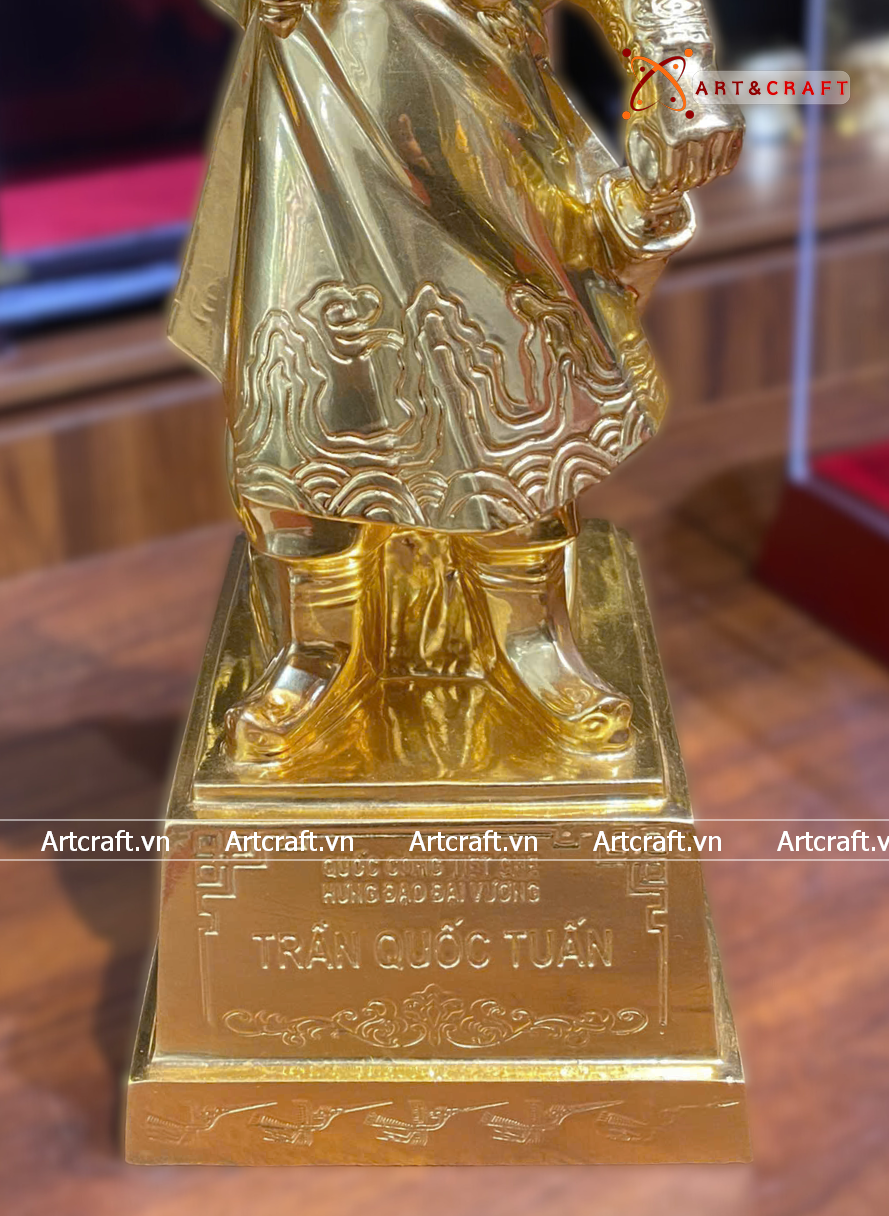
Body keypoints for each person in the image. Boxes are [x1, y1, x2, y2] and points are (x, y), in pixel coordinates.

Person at [170, 0, 743, 761]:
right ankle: (315, 647)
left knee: (513, 374)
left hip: (476, 118)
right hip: (314, 106)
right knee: (312, 382)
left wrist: (679, 73)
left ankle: (532, 638)